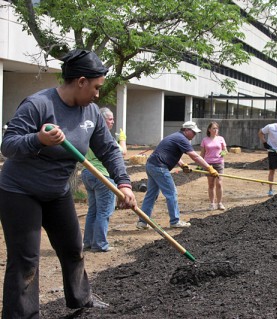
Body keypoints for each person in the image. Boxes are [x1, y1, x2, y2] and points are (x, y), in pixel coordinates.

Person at [0, 49, 137, 317]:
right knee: (26, 258)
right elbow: (8, 146)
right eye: (96, 87)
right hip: (20, 191)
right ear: (81, 81)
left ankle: (81, 300)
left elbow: (108, 150)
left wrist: (124, 183)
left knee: (73, 247)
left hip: (57, 190)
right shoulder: (39, 105)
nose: (98, 93)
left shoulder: (92, 113)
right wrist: (38, 139)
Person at [137, 121, 219, 229]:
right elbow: (195, 156)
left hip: (151, 165)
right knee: (172, 193)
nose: (194, 135)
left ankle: (142, 222)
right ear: (186, 130)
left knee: (151, 194)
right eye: (193, 132)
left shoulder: (175, 136)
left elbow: (169, 152)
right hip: (159, 167)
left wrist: (182, 165)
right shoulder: (182, 139)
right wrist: (209, 168)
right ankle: (175, 221)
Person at [81, 107, 127, 253]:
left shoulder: (87, 134)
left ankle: (88, 242)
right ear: (101, 119)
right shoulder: (103, 137)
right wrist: (122, 140)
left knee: (93, 210)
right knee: (104, 211)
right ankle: (100, 244)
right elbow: (122, 152)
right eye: (110, 119)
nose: (113, 122)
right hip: (103, 176)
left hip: (88, 174)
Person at [200, 122, 228, 211]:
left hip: (219, 163)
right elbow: (202, 153)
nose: (216, 130)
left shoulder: (221, 139)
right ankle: (212, 203)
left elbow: (225, 150)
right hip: (208, 164)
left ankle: (219, 203)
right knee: (211, 184)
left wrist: (222, 154)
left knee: (219, 184)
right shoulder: (205, 140)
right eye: (214, 128)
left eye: (217, 128)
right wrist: (200, 164)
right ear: (209, 130)